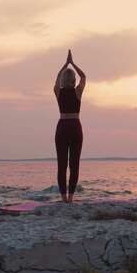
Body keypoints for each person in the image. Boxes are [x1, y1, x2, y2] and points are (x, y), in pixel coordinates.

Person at [54, 50, 86, 203]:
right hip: (75, 127)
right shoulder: (78, 92)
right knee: (74, 164)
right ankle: (71, 198)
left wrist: (65, 64)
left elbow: (56, 79)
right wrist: (73, 63)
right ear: (73, 79)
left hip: (62, 127)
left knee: (62, 164)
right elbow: (84, 77)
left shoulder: (58, 92)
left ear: (62, 79)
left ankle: (63, 197)